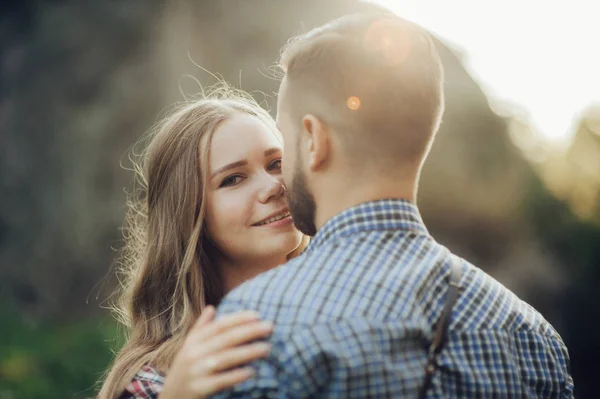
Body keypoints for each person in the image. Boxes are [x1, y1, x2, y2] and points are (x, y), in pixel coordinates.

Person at [212, 13, 575, 398]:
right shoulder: (533, 336)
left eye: (284, 147)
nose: (278, 180)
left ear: (314, 139)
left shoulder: (256, 325)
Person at [98, 87, 309, 399]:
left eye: (276, 163)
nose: (273, 186)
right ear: (191, 216)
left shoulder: (345, 308)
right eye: (233, 179)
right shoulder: (157, 382)